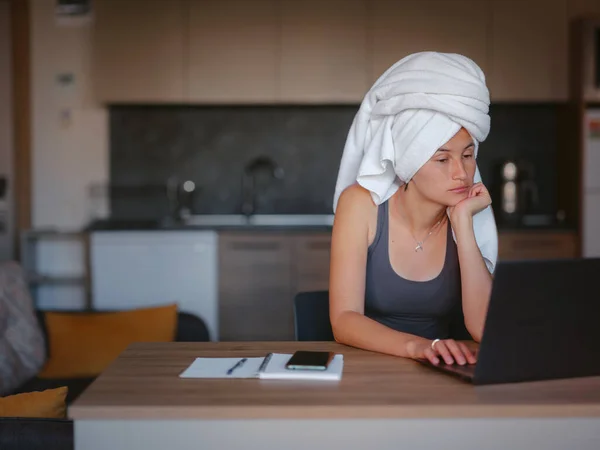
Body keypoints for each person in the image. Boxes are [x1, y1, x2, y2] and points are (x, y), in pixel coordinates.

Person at [329, 52, 498, 367]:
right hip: (367, 368)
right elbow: (343, 319)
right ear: (409, 162)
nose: (462, 173)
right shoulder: (361, 204)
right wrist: (420, 347)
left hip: (444, 370)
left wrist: (462, 223)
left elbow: (485, 329)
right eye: (442, 159)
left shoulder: (464, 207)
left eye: (468, 155)